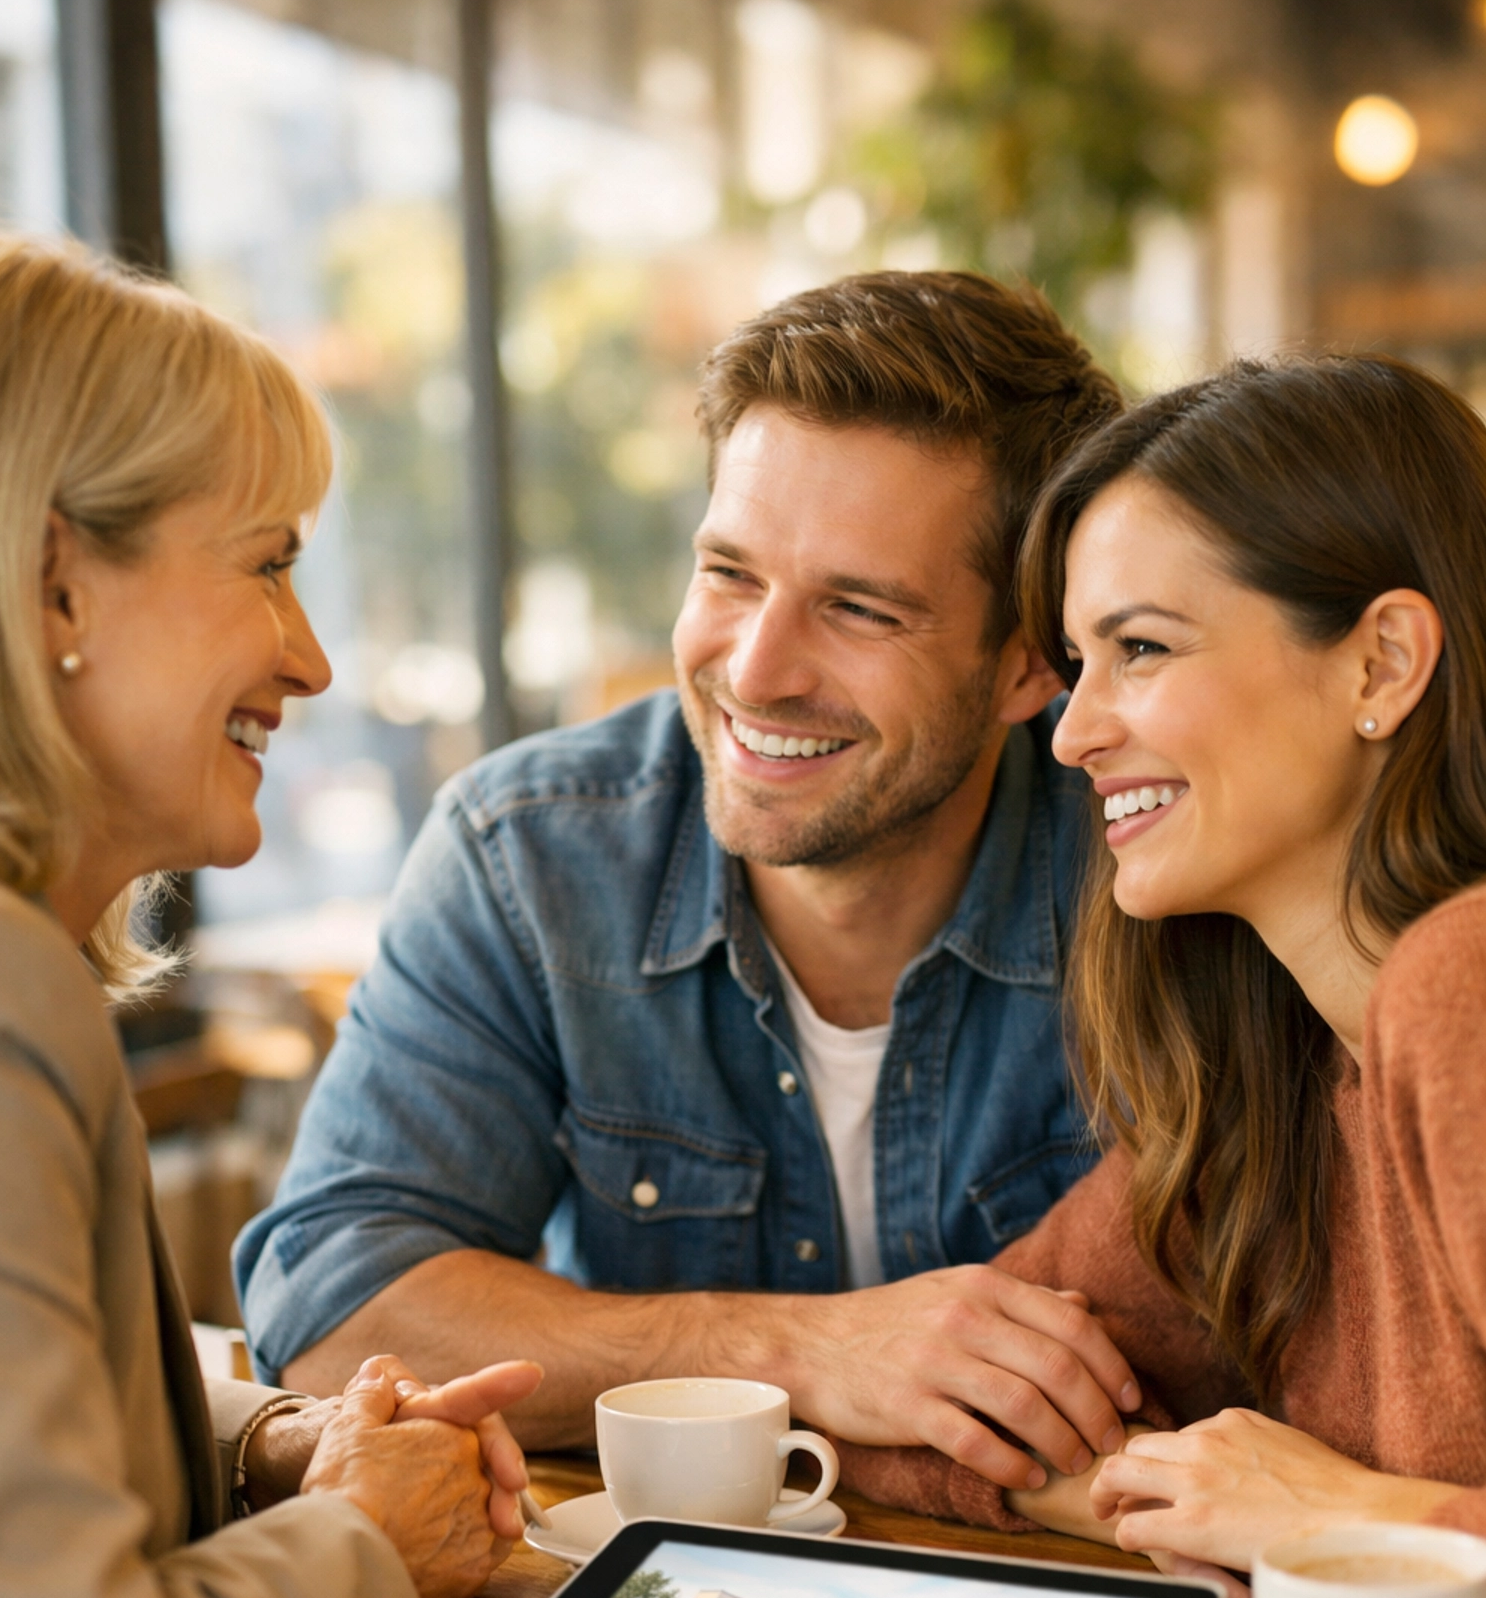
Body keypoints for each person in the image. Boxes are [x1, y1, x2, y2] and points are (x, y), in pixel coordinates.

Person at [0, 236, 554, 1598]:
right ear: (57, 581)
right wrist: (360, 1543)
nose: (310, 658)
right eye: (270, 562)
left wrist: (276, 1441)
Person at [237, 271, 1148, 1497]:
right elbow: (334, 1305)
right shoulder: (532, 855)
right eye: (729, 574)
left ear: (1031, 664)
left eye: (859, 609)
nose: (756, 671)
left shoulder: (1151, 871)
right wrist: (791, 1349)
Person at [845, 352, 1486, 1598]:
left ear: (1381, 664)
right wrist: (1176, 1499)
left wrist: (1351, 1517)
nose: (1075, 734)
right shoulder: (1273, 1071)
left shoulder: (1461, 989)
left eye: (1141, 647)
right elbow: (929, 1406)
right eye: (1078, 662)